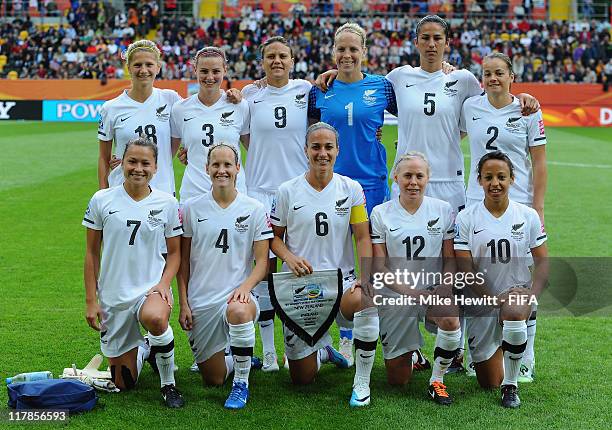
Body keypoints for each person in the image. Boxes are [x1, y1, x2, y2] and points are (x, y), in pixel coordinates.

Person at [270, 122, 377, 407]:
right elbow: (274, 239)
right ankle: (323, 351)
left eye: (328, 147)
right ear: (305, 150)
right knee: (301, 380)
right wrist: (289, 258)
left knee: (367, 297)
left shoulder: (351, 189)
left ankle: (362, 380)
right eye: (315, 147)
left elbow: (363, 237)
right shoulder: (286, 191)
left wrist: (365, 277)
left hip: (341, 284)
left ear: (337, 150)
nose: (322, 153)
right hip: (301, 289)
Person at [308, 22, 397, 364]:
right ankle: (334, 336)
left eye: (353, 49)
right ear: (333, 53)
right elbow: (311, 134)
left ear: (364, 52)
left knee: (370, 258)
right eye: (340, 49)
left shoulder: (382, 88)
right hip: (330, 188)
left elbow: (421, 114)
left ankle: (370, 329)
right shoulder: (319, 92)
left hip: (372, 185)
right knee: (333, 256)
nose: (347, 55)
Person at [460, 52, 547, 381]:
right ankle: (475, 352)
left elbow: (539, 162)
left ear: (512, 76)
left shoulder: (528, 110)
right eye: (487, 73)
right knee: (477, 280)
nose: (493, 78)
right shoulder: (471, 107)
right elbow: (450, 132)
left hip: (518, 205)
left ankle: (525, 357)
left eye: (499, 73)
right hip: (475, 203)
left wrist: (538, 207)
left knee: (520, 281)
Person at [83, 137, 184, 408]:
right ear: (122, 163)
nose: (138, 168)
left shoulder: (167, 203)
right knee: (122, 383)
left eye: (145, 163)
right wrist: (91, 300)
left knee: (155, 317)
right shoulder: (101, 200)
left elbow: (175, 253)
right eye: (132, 161)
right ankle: (147, 348)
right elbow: (92, 253)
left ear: (156, 167)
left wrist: (164, 284)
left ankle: (168, 384)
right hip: (113, 296)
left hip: (150, 289)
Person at [177, 143, 272, 409]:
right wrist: (184, 302)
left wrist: (246, 286)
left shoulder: (254, 208)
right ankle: (239, 357)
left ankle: (241, 383)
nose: (222, 170)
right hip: (201, 300)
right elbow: (182, 262)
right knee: (214, 378)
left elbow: (262, 261)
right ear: (207, 169)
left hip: (236, 295)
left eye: (228, 164)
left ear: (238, 168)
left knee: (240, 312)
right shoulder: (191, 208)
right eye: (216, 165)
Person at [454, 151, 548, 408]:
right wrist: (492, 299)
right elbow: (465, 268)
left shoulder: (528, 216)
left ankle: (512, 386)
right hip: (480, 301)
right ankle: (506, 356)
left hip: (515, 293)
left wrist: (532, 295)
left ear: (512, 179)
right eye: (489, 177)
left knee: (516, 308)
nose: (495, 183)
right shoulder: (465, 218)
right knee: (488, 381)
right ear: (479, 181)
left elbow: (543, 262)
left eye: (501, 177)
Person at [241, 36, 312, 371]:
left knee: (297, 268)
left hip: (296, 193)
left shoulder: (307, 90)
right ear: (262, 61)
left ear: (293, 60)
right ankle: (269, 351)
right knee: (264, 270)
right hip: (258, 192)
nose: (277, 61)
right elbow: (241, 136)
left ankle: (301, 344)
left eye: (283, 55)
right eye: (271, 56)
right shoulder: (249, 95)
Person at [370, 152, 461, 405]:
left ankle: (437, 380)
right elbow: (379, 269)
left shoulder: (442, 210)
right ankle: (414, 355)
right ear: (396, 177)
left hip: (432, 289)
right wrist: (413, 293)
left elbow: (450, 258)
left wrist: (445, 287)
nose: (413, 181)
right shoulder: (380, 213)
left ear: (428, 178)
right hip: (396, 293)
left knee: (451, 318)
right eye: (407, 175)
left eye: (419, 176)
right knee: (397, 381)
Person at [98, 40, 181, 195]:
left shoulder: (171, 99)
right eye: (137, 65)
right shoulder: (111, 108)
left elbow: (198, 116)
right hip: (120, 191)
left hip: (162, 191)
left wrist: (229, 97)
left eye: (149, 64)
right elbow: (103, 157)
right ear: (128, 68)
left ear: (158, 67)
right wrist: (102, 195)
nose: (143, 70)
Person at [170, 47, 250, 203]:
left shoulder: (240, 106)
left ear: (225, 70)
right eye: (204, 71)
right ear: (195, 70)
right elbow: (170, 152)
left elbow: (254, 148)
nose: (210, 77)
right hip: (193, 193)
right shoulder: (180, 109)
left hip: (234, 192)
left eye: (216, 71)